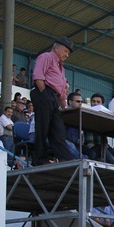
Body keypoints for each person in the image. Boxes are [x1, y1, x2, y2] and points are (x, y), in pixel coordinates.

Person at [31, 36, 75, 165]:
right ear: (57, 48)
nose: (67, 55)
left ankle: (66, 159)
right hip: (44, 93)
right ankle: (39, 158)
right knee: (42, 127)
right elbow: (38, 76)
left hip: (54, 97)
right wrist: (44, 94)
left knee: (58, 129)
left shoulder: (61, 67)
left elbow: (62, 91)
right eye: (66, 51)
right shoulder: (46, 57)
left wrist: (63, 105)